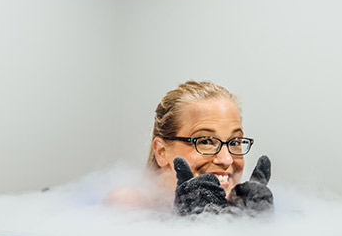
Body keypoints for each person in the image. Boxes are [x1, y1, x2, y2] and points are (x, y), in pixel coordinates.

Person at [110, 80, 273, 215]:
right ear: (161, 152)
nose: (226, 159)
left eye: (235, 142)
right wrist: (193, 225)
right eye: (206, 141)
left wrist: (255, 227)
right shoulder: (129, 205)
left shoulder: (241, 204)